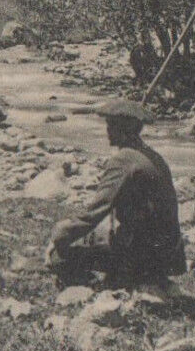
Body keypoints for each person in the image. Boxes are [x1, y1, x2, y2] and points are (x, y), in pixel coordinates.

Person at [44, 98, 186, 288]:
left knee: (58, 258)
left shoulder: (124, 160)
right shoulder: (152, 155)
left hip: (142, 256)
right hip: (168, 256)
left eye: (111, 125)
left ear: (122, 129)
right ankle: (128, 280)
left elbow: (94, 213)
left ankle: (98, 288)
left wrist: (59, 235)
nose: (107, 131)